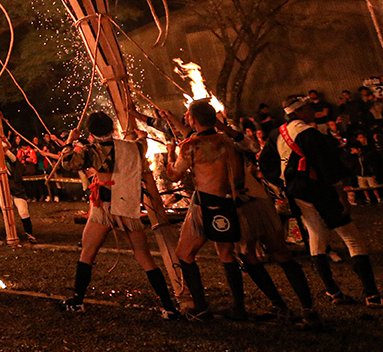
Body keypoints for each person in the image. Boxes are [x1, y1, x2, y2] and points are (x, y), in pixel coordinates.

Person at [264, 95, 383, 307]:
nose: (312, 111)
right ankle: (372, 294)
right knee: (351, 237)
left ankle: (333, 292)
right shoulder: (309, 133)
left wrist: (284, 181)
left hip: (297, 191)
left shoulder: (276, 134)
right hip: (319, 188)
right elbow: (328, 166)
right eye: (307, 108)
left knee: (315, 235)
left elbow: (266, 163)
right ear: (297, 112)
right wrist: (341, 195)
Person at [61, 112, 180, 319]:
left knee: (87, 253)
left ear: (91, 132)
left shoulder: (91, 151)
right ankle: (169, 307)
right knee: (145, 258)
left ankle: (78, 301)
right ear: (111, 129)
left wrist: (70, 141)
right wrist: (139, 135)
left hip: (104, 208)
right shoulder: (133, 147)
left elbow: (67, 162)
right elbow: (140, 145)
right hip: (127, 205)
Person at [233, 136, 321, 329]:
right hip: (256, 199)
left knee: (256, 253)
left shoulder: (223, 142)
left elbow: (253, 146)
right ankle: (296, 307)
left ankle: (295, 307)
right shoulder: (218, 141)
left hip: (244, 201)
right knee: (260, 253)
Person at [170, 100, 247, 320]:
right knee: (226, 254)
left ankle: (200, 306)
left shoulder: (191, 146)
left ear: (194, 119)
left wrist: (169, 155)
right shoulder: (226, 141)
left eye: (187, 115)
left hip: (205, 205)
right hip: (228, 203)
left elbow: (175, 175)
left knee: (184, 253)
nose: (186, 117)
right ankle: (239, 307)